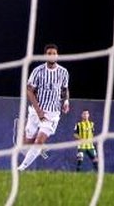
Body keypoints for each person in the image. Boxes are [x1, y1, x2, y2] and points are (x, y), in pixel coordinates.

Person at [17, 43, 70, 171]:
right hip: (36, 112)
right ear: (45, 56)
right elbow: (29, 90)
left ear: (57, 55)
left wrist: (66, 101)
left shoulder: (63, 72)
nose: (52, 56)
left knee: (39, 141)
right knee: (26, 144)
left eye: (54, 53)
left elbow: (64, 89)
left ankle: (20, 169)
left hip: (52, 114)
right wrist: (39, 111)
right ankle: (35, 149)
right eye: (49, 53)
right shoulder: (38, 71)